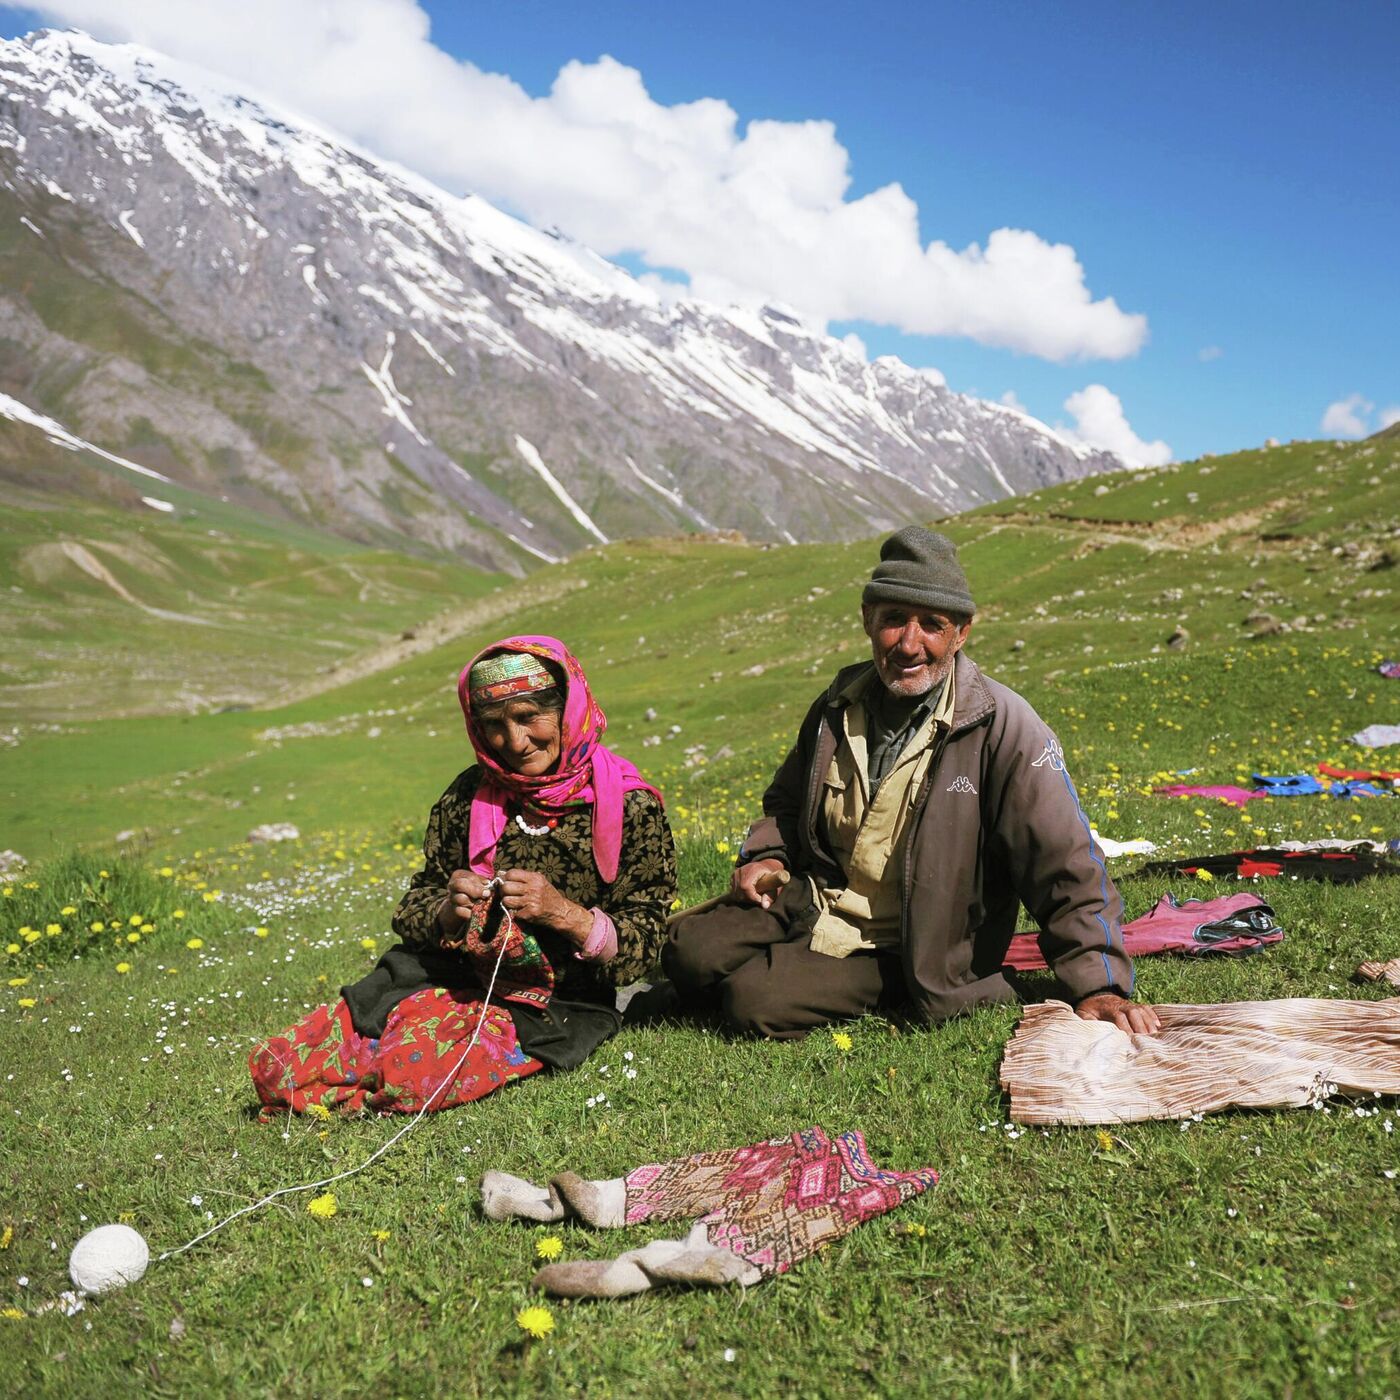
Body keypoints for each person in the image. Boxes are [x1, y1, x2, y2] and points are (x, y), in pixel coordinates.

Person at [663, 527, 1160, 1041]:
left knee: (754, 1001)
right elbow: (787, 802)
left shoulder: (1003, 727)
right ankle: (787, 962)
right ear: (867, 620)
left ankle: (947, 988)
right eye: (893, 620)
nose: (908, 644)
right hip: (818, 898)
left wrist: (1099, 983)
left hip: (915, 942)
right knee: (686, 953)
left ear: (962, 632)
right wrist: (767, 855)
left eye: (932, 625)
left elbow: (1065, 862)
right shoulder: (838, 704)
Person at [249, 635, 676, 1116]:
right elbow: (415, 904)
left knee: (411, 1078)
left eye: (529, 717)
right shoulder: (469, 795)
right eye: (493, 725)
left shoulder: (631, 808)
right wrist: (447, 912)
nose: (514, 741)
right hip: (441, 980)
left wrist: (565, 914)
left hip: (553, 1004)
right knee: (279, 1067)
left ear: (568, 710)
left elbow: (648, 939)